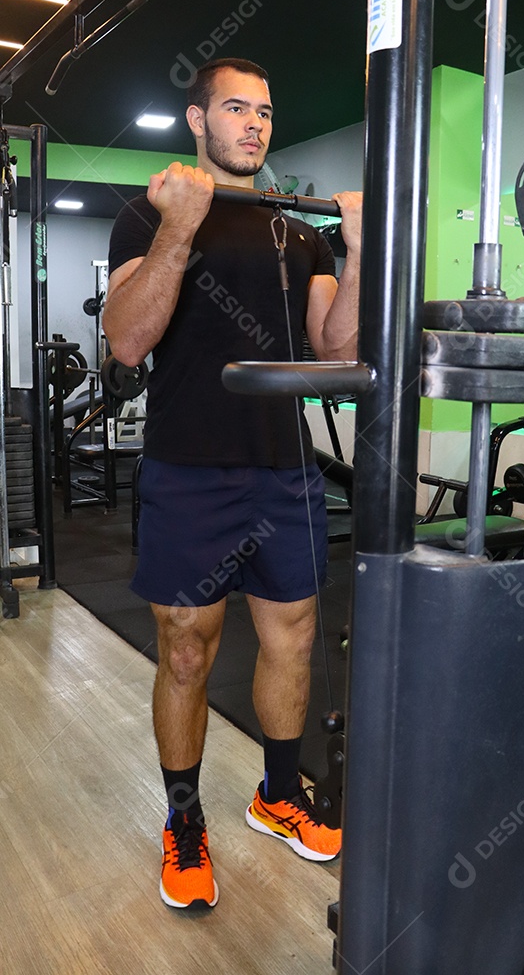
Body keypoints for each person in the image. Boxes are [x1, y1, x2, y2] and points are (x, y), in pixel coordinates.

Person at [102, 57, 361, 911]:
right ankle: (184, 822)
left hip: (282, 469)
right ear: (198, 119)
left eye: (266, 111)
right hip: (187, 467)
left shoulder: (299, 231)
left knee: (290, 637)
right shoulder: (146, 214)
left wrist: (356, 253)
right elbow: (128, 343)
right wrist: (179, 228)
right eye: (236, 108)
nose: (254, 124)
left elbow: (333, 349)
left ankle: (276, 794)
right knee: (186, 650)